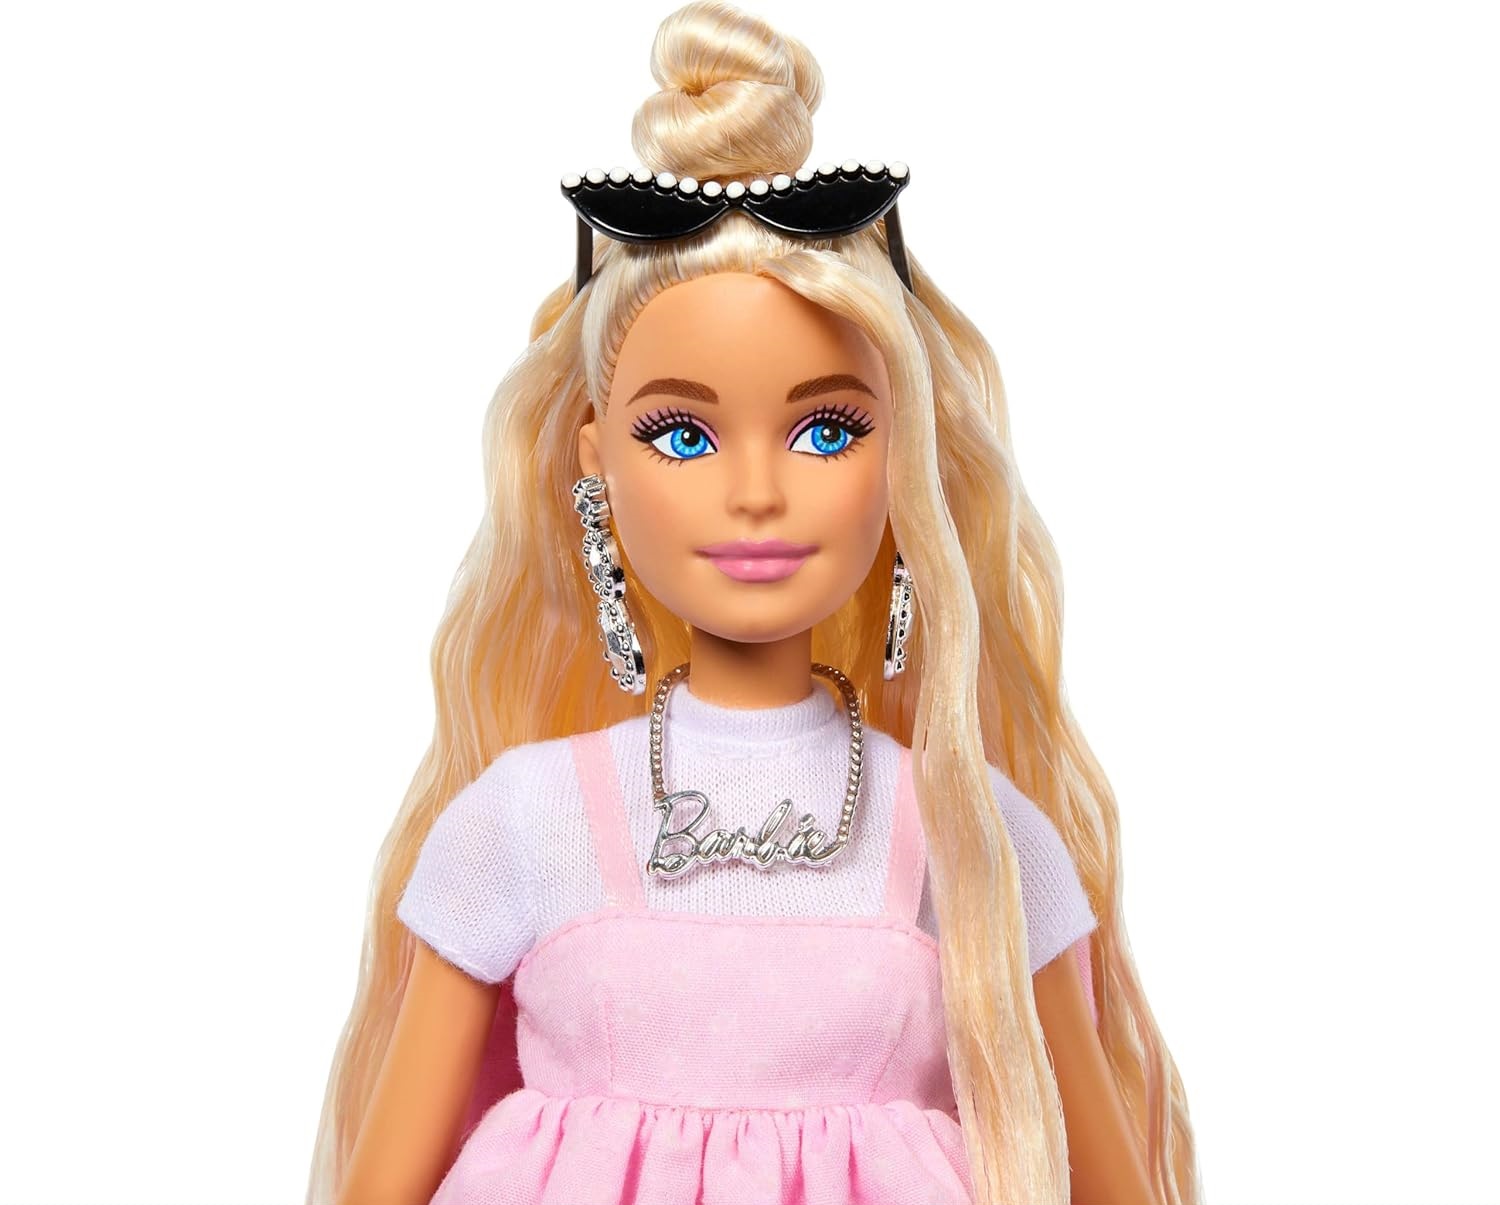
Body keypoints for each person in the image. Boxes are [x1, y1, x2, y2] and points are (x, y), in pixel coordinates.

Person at [307, 4, 1199, 1203]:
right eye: (681, 434)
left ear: (906, 457)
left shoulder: (976, 837)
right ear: (594, 463)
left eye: (827, 429)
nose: (757, 493)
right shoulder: (523, 823)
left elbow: (1107, 1178)